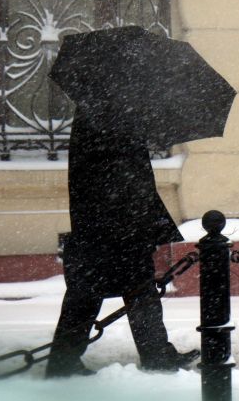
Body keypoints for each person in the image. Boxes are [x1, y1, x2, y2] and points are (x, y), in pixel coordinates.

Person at [45, 112, 199, 378]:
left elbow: (123, 174)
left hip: (112, 226)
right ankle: (153, 356)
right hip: (117, 226)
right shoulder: (109, 119)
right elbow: (123, 176)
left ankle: (154, 354)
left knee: (122, 291)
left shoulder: (104, 116)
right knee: (108, 293)